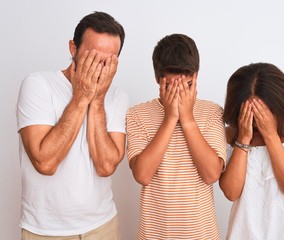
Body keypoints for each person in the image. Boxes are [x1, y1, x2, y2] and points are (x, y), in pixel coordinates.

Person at [16, 12, 128, 240]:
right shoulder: (38, 84)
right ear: (73, 48)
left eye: (109, 60)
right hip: (45, 230)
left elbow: (106, 167)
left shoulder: (117, 96)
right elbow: (45, 162)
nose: (100, 66)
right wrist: (81, 97)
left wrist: (97, 99)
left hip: (103, 225)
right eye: (93, 56)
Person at [126, 33, 226, 239]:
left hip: (202, 234)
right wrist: (170, 119)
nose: (180, 94)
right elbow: (142, 175)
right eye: (171, 86)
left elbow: (211, 174)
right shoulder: (137, 114)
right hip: (154, 234)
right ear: (157, 79)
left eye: (188, 85)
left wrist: (188, 119)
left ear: (196, 76)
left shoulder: (212, 112)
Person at [219, 62, 284, 240]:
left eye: (262, 111)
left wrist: (270, 135)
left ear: (279, 104)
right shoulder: (230, 135)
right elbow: (231, 192)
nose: (256, 119)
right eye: (249, 111)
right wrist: (243, 139)